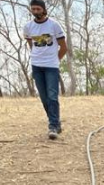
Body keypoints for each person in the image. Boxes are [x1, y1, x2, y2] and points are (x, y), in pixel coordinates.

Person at [23, 0, 67, 140]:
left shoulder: (54, 25)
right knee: (44, 98)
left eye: (38, 9)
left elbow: (64, 47)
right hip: (36, 66)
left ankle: (53, 126)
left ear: (43, 9)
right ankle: (56, 122)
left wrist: (55, 60)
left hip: (51, 67)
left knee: (52, 96)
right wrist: (37, 57)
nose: (35, 11)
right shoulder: (28, 27)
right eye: (33, 9)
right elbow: (31, 44)